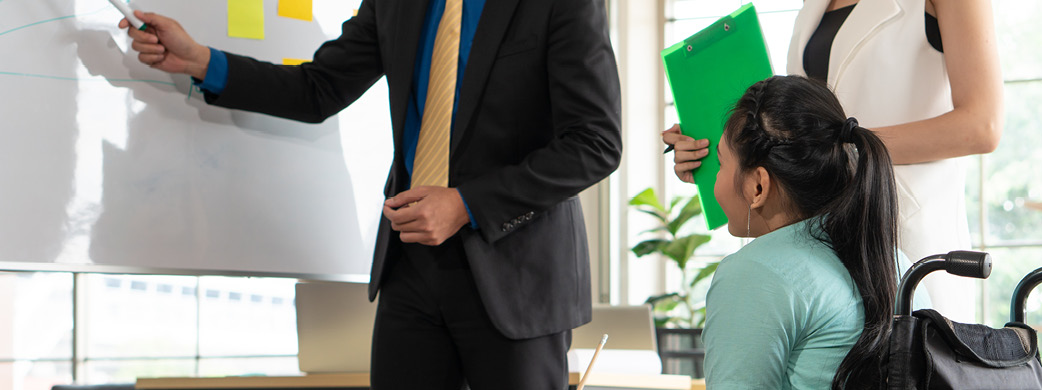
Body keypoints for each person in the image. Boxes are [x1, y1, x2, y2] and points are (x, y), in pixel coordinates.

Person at [117, 0, 622, 388]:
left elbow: (595, 142)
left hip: (517, 276)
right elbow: (318, 89)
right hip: (410, 268)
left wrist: (466, 204)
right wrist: (203, 61)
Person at [667, 0, 1002, 322]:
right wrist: (722, 150)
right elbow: (799, 120)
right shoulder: (812, 5)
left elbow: (981, 125)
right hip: (817, 240)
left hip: (902, 233)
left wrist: (836, 145)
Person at [681, 75, 899, 388]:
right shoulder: (895, 263)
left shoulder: (753, 274)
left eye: (720, 164)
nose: (714, 180)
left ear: (758, 185)